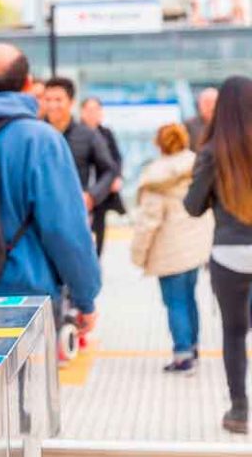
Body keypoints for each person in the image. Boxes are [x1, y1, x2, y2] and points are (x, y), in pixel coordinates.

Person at [0, 43, 101, 331]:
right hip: (25, 296)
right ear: (29, 84)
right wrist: (86, 298)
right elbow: (65, 229)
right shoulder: (41, 140)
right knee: (26, 376)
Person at [185, 76, 252, 435]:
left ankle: (239, 411)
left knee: (235, 332)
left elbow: (193, 207)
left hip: (229, 253)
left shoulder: (211, 151)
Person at [131, 124, 213, 374]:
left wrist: (138, 253)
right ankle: (194, 347)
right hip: (195, 248)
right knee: (189, 298)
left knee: (175, 302)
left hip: (169, 251)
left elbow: (149, 222)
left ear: (159, 143)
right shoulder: (198, 164)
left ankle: (182, 355)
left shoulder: (156, 174)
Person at [44, 78, 117, 222]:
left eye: (58, 100)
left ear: (71, 102)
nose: (52, 105)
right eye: (48, 99)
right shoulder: (34, 134)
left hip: (74, 212)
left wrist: (92, 196)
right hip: (39, 212)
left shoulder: (87, 134)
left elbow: (109, 170)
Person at [80, 97, 126, 256]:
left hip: (101, 189)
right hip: (81, 191)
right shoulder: (76, 133)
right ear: (82, 112)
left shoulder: (106, 133)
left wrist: (116, 177)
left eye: (96, 110)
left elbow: (116, 159)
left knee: (99, 227)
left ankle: (96, 258)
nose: (93, 114)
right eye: (89, 110)